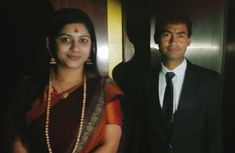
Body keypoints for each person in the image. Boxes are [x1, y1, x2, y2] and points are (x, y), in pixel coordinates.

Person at [8, 8, 124, 153]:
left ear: (91, 46)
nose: (75, 48)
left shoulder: (105, 90)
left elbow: (110, 144)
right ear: (49, 44)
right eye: (66, 39)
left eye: (83, 40)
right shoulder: (30, 88)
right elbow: (18, 140)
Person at [141, 14, 223, 153]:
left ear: (189, 40)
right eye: (167, 35)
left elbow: (215, 132)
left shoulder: (209, 80)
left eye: (181, 35)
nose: (173, 42)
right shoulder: (142, 81)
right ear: (157, 39)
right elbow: (138, 131)